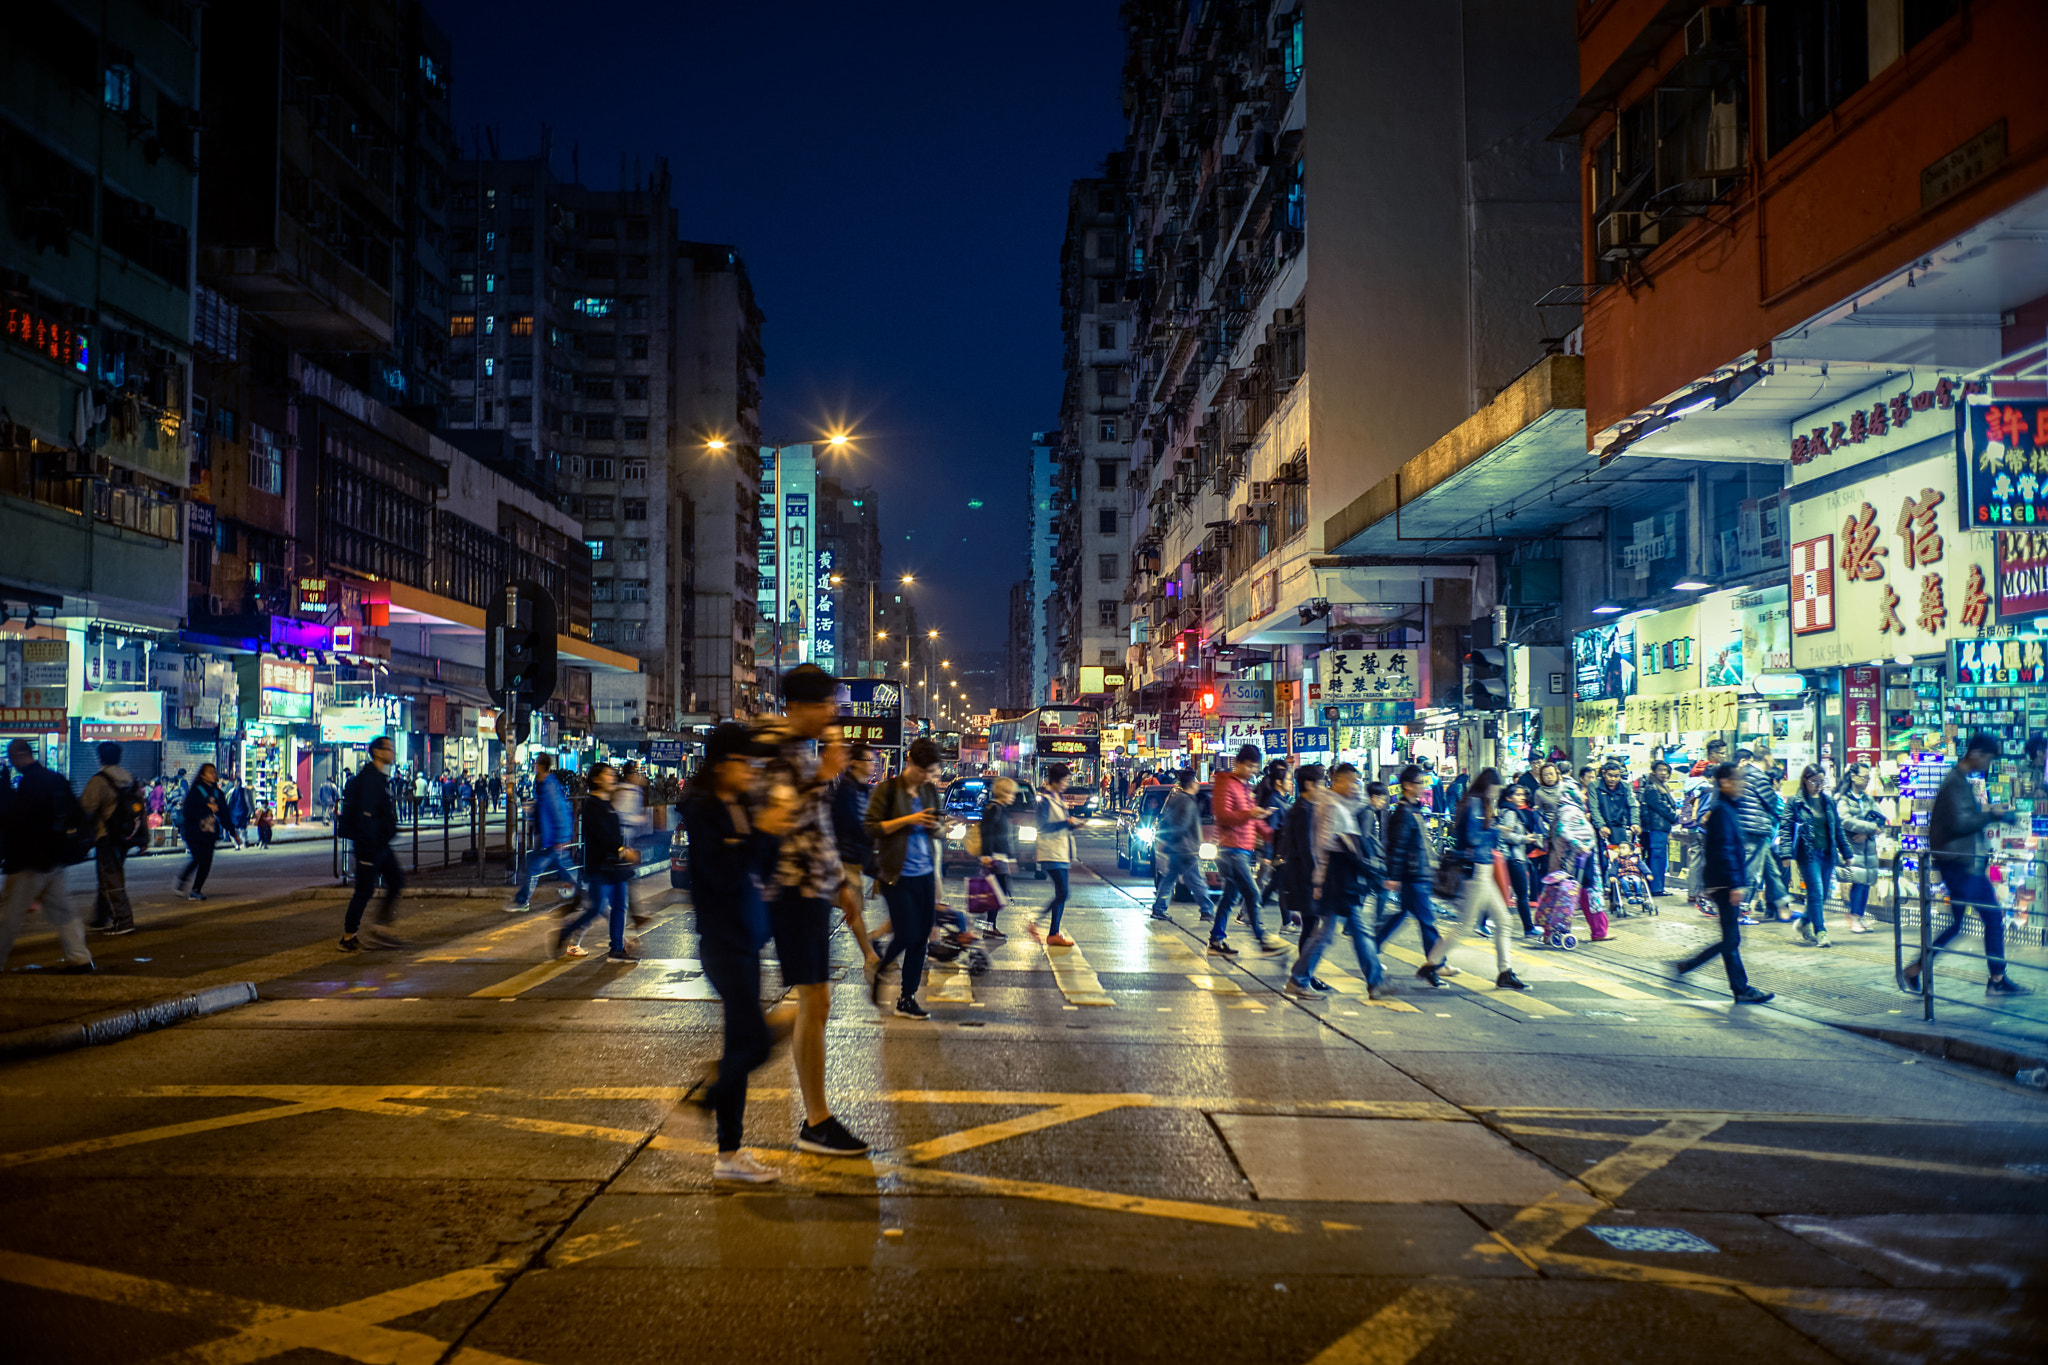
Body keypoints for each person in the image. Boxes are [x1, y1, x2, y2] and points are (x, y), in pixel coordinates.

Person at [756, 663, 870, 1157]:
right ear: (799, 707)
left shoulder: (803, 752)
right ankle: (814, 1118)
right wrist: (820, 778)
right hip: (791, 895)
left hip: (812, 893)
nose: (831, 714)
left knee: (816, 1005)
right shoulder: (777, 750)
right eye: (824, 704)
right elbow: (777, 820)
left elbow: (815, 828)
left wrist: (840, 884)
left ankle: (815, 1116)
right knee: (812, 1005)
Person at [684, 723, 798, 1184]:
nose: (751, 772)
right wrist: (757, 837)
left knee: (740, 1044)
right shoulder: (702, 808)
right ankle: (703, 1099)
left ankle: (729, 1153)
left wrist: (770, 831)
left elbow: (761, 865)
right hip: (721, 941)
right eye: (744, 763)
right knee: (754, 1041)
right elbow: (719, 875)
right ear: (722, 764)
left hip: (749, 939)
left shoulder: (743, 805)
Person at [1911, 732, 2033, 997]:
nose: (1988, 765)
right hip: (1960, 865)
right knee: (1988, 918)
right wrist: (1992, 815)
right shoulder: (1955, 782)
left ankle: (1917, 969)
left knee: (1969, 922)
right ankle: (1995, 979)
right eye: (1988, 758)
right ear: (1977, 754)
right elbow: (1959, 824)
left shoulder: (1959, 781)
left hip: (1962, 864)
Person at [1674, 763, 1773, 1003]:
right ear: (1724, 782)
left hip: (1723, 883)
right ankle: (1737, 986)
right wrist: (1735, 884)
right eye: (1737, 780)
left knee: (1731, 939)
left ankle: (1733, 984)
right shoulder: (1721, 811)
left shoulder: (1727, 809)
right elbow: (1725, 850)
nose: (1741, 784)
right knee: (1731, 940)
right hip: (1725, 884)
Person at [1292, 762, 1388, 999]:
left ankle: (1375, 981)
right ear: (1339, 781)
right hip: (1335, 878)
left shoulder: (1338, 803)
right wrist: (1319, 879)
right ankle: (1300, 979)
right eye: (1353, 782)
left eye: (1358, 782)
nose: (1356, 787)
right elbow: (1323, 843)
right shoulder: (1331, 806)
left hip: (1340, 878)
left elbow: (1359, 807)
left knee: (1349, 931)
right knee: (1332, 934)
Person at [865, 736, 945, 1018]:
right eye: (922, 770)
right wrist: (908, 820)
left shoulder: (929, 791)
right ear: (909, 761)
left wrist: (936, 826)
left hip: (924, 873)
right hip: (896, 875)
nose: (926, 776)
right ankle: (881, 969)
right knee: (907, 932)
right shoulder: (887, 790)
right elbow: (872, 827)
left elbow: (939, 828)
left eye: (930, 772)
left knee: (921, 937)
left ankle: (906, 998)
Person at [0, 739, 94, 973]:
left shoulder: (29, 785)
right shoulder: (56, 779)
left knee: (8, 915)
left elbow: (17, 823)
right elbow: (77, 814)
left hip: (29, 862)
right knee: (64, 912)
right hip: (55, 860)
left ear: (16, 756)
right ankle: (80, 958)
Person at [1450, 769, 1527, 989]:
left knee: (1504, 921)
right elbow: (1474, 838)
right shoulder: (1475, 804)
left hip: (1483, 870)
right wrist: (1496, 831)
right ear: (1487, 785)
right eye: (1495, 788)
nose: (1496, 793)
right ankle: (1432, 963)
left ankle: (1505, 972)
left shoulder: (1479, 804)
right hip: (1477, 871)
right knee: (1465, 926)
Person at [1377, 764, 1452, 987]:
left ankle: (1372, 945)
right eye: (1420, 783)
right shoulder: (1402, 813)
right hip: (1412, 875)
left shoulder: (1413, 810)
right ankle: (1435, 964)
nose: (1423, 787)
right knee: (1427, 921)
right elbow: (1397, 847)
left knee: (1404, 915)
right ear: (1407, 785)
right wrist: (1395, 876)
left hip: (1417, 874)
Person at [557, 763, 638, 962]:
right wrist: (622, 851)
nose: (612, 778)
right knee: (596, 907)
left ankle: (616, 949)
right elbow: (602, 836)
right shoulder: (592, 805)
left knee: (620, 906)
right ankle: (566, 931)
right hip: (600, 867)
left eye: (613, 774)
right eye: (608, 775)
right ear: (596, 779)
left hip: (616, 867)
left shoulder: (608, 804)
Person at [1214, 744, 1283, 955]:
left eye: (1256, 766)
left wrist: (1271, 832)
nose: (1254, 770)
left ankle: (1216, 940)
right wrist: (1250, 814)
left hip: (1243, 849)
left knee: (1228, 898)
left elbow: (1250, 820)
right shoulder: (1226, 784)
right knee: (1252, 893)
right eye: (1251, 766)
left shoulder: (1245, 787)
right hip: (1230, 850)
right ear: (1240, 763)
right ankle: (1262, 939)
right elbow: (1223, 815)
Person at [338, 736, 405, 951]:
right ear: (377, 752)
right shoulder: (369, 780)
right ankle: (348, 936)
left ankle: (382, 928)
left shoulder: (378, 777)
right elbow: (366, 816)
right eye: (389, 748)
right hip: (370, 845)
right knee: (364, 890)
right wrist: (369, 843)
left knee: (396, 880)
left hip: (380, 844)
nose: (392, 752)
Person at [1777, 764, 1851, 947]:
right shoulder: (1795, 802)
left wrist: (1847, 853)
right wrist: (1785, 854)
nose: (1818, 785)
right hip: (1808, 855)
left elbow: (1837, 830)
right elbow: (1786, 829)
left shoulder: (1828, 802)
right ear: (1805, 781)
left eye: (1821, 781)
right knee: (1816, 892)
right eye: (1814, 782)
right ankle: (1821, 931)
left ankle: (1803, 922)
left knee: (1823, 894)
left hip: (1827, 854)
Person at [828, 743, 883, 971]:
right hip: (845, 861)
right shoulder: (847, 790)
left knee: (851, 908)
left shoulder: (862, 789)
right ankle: (870, 954)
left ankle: (871, 948)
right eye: (869, 760)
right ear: (856, 763)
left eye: (873, 760)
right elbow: (852, 825)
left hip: (856, 860)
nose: (873, 764)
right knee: (853, 908)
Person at [80, 741, 138, 936]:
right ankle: (100, 917)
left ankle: (123, 921)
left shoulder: (99, 780)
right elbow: (139, 809)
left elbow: (86, 809)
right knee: (107, 877)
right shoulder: (130, 778)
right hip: (126, 836)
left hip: (106, 836)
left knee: (110, 879)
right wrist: (143, 839)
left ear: (100, 757)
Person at [507, 754, 579, 913]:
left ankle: (522, 900)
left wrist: (560, 837)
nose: (534, 765)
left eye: (536, 763)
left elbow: (557, 810)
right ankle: (582, 895)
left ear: (540, 765)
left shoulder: (548, 785)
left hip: (552, 838)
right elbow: (545, 810)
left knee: (535, 868)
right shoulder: (542, 784)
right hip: (548, 837)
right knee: (563, 867)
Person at [1149, 767, 1215, 922]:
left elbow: (1166, 821)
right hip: (1185, 849)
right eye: (1196, 782)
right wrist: (1173, 841)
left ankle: (1159, 908)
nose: (1198, 785)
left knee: (1169, 878)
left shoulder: (1175, 798)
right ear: (1192, 784)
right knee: (1195, 880)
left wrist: (1168, 842)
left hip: (1176, 848)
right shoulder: (1187, 802)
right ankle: (1207, 909)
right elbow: (1182, 826)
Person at [1737, 743, 1790, 919]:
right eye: (1772, 757)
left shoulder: (1742, 774)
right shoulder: (1759, 777)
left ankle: (1783, 906)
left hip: (1746, 828)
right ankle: (1742, 909)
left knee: (1771, 871)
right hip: (1755, 830)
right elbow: (1772, 803)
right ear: (1767, 757)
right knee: (1751, 872)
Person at [1273, 763, 1322, 943]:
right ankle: (1303, 969)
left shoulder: (1302, 807)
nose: (1323, 788)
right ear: (1309, 785)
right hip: (1304, 877)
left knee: (1310, 925)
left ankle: (1303, 968)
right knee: (1311, 926)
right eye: (1321, 783)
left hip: (1300, 875)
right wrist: (1316, 878)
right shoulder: (1303, 811)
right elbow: (1306, 847)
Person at [1033, 763, 1081, 945]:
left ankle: (1054, 934)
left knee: (1062, 893)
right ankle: (1037, 923)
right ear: (1056, 779)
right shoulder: (1045, 799)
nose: (1066, 784)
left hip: (1061, 852)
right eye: (1065, 780)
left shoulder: (1058, 798)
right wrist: (1066, 823)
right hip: (1050, 852)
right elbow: (1043, 826)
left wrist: (1071, 824)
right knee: (1063, 893)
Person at [1835, 763, 1885, 934]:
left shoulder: (1868, 799)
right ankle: (1854, 915)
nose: (1866, 781)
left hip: (1868, 847)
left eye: (1868, 778)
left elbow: (1880, 821)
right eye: (1864, 777)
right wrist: (1871, 828)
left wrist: (1868, 832)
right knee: (1858, 880)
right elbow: (1845, 821)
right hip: (1851, 847)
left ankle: (1859, 915)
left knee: (1866, 882)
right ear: (1853, 776)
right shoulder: (1843, 799)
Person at [1496, 783, 1542, 938]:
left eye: (1523, 795)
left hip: (1511, 857)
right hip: (1514, 858)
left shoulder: (1506, 810)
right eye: (1518, 795)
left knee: (1497, 894)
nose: (1522, 797)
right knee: (1522, 895)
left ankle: (1480, 923)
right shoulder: (1510, 812)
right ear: (1509, 797)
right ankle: (1528, 928)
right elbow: (1506, 835)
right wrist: (1525, 838)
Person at [977, 775, 1017, 937]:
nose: (1013, 797)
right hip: (994, 858)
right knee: (996, 894)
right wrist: (986, 855)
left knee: (998, 894)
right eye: (1010, 793)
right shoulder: (993, 809)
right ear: (1002, 792)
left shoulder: (1001, 809)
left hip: (1001, 857)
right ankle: (987, 927)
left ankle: (989, 926)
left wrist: (1010, 857)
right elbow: (987, 833)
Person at [176, 765, 223, 900]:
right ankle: (183, 879)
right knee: (198, 858)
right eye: (210, 772)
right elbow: (188, 813)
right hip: (194, 833)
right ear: (202, 775)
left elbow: (224, 812)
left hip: (210, 833)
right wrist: (207, 808)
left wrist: (233, 832)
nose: (213, 774)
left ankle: (196, 890)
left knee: (206, 863)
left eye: (214, 772)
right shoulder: (195, 791)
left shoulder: (217, 792)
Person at [1253, 758, 1291, 916]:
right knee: (1272, 884)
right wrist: (1268, 855)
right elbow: (1270, 829)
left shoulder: (1282, 799)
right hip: (1275, 851)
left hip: (1280, 851)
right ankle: (1250, 912)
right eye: (1288, 778)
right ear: (1278, 781)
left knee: (1275, 884)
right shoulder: (1273, 801)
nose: (1291, 782)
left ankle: (1251, 912)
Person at [1639, 760, 1680, 896]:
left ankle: (1657, 887)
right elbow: (1660, 806)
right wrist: (1675, 816)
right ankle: (1656, 888)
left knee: (1659, 857)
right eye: (1660, 770)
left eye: (1666, 770)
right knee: (1657, 857)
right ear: (1654, 772)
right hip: (1656, 827)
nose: (1664, 773)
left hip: (1660, 827)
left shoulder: (1661, 786)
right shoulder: (1652, 787)